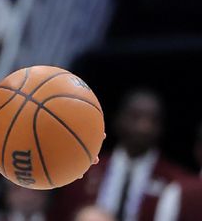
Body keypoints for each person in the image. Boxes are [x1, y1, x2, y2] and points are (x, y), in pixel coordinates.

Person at [50, 89, 190, 221]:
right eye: (135, 117)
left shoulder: (174, 181)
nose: (143, 127)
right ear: (118, 120)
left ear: (162, 127)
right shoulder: (84, 171)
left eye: (152, 120)